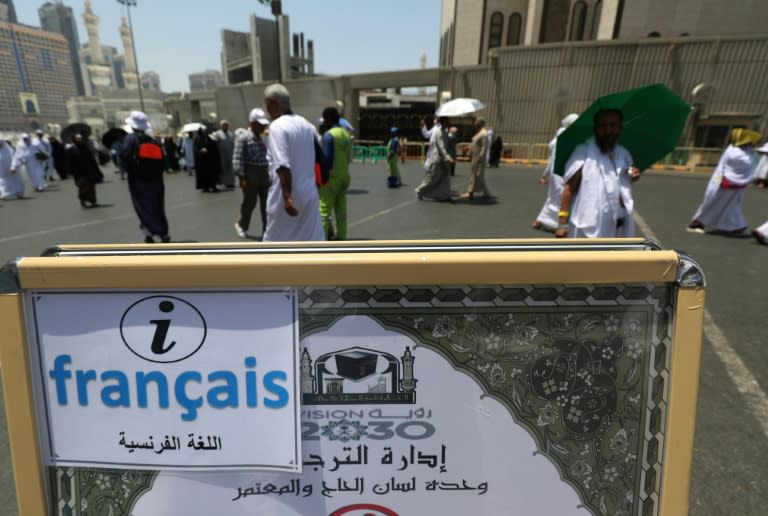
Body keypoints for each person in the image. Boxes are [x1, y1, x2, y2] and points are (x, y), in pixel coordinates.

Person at [555, 109, 642, 238]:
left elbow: (621, 187)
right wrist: (562, 224)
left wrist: (633, 176)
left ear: (620, 128)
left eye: (613, 125)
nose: (608, 131)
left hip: (614, 228)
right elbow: (569, 188)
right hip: (584, 229)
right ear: (595, 128)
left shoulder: (623, 155)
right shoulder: (583, 152)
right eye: (603, 126)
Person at [262, 83, 324, 241]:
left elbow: (282, 165)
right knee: (309, 244)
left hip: (286, 197)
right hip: (308, 195)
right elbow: (320, 158)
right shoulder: (306, 125)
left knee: (275, 248)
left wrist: (287, 197)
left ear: (274, 103)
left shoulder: (277, 127)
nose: (267, 110)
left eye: (267, 105)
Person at [687, 128, 762, 235]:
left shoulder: (743, 150)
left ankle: (737, 226)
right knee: (713, 202)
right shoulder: (734, 152)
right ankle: (698, 222)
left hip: (736, 185)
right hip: (724, 182)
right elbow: (746, 162)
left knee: (732, 205)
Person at [119, 111, 171, 243]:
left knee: (142, 205)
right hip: (155, 179)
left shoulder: (130, 139)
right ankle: (163, 232)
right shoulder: (151, 139)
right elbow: (163, 159)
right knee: (157, 205)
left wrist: (126, 170)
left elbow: (124, 156)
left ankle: (149, 232)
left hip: (138, 179)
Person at [533, 113, 579, 230]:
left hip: (558, 168)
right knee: (559, 194)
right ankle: (556, 223)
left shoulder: (563, 133)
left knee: (554, 195)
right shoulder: (566, 134)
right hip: (561, 169)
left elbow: (551, 151)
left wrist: (545, 175)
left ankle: (541, 220)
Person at [233, 108, 271, 239]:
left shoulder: (263, 138)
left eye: (264, 125)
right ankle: (241, 225)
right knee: (250, 202)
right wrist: (241, 177)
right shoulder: (243, 138)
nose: (263, 127)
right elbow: (238, 158)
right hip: (251, 173)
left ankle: (267, 230)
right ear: (252, 123)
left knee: (267, 203)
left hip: (263, 173)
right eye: (260, 124)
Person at [319, 106, 352, 240]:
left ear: (328, 118)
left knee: (324, 209)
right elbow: (349, 157)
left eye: (324, 119)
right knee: (341, 208)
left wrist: (323, 178)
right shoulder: (345, 134)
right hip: (344, 176)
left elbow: (327, 159)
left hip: (332, 177)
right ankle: (341, 237)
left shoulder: (329, 135)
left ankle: (320, 238)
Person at [415, 116, 454, 202]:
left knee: (445, 178)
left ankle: (445, 195)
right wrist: (423, 126)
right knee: (433, 177)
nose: (450, 122)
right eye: (448, 121)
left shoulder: (445, 131)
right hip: (437, 157)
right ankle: (420, 190)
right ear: (444, 122)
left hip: (443, 157)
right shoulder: (438, 130)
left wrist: (452, 134)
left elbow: (448, 142)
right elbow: (441, 146)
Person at [67, 132, 103, 208]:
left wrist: (96, 169)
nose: (79, 140)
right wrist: (70, 171)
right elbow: (69, 161)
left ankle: (93, 201)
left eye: (80, 138)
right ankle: (83, 201)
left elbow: (91, 159)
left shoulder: (85, 147)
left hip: (88, 171)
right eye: (78, 139)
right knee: (82, 187)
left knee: (91, 186)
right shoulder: (72, 149)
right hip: (78, 172)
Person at [460, 117, 492, 200]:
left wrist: (480, 158)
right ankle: (486, 193)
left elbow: (484, 147)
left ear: (480, 123)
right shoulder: (479, 132)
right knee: (478, 175)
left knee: (474, 175)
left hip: (478, 158)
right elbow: (475, 144)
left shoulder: (484, 134)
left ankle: (470, 193)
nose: (475, 123)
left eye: (476, 122)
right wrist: (468, 147)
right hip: (475, 156)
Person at [194, 127, 220, 193]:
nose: (205, 132)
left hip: (209, 160)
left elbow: (213, 147)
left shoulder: (210, 138)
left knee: (212, 174)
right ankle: (205, 187)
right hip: (202, 161)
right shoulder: (197, 139)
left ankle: (213, 186)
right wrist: (200, 151)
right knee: (204, 174)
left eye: (206, 131)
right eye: (204, 131)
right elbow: (195, 149)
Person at [215, 120, 236, 188]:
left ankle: (231, 182)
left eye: (226, 125)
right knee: (223, 168)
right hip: (222, 154)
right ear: (221, 126)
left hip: (230, 154)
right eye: (224, 125)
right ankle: (223, 182)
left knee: (230, 168)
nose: (225, 127)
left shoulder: (230, 134)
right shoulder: (218, 134)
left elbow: (233, 143)